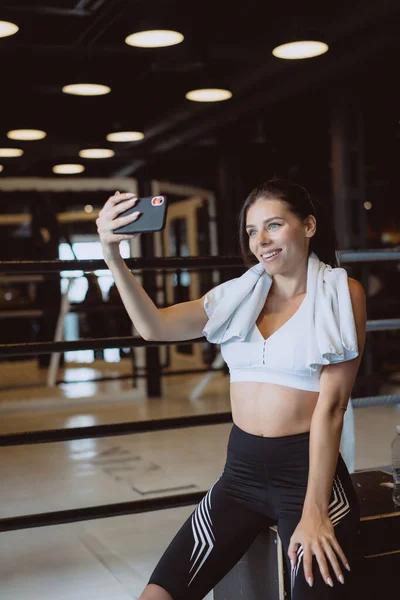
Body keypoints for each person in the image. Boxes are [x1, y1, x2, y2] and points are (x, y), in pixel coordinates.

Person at [97, 179, 367, 600]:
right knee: (156, 595)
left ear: (309, 225)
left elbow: (332, 408)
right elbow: (154, 327)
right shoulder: (238, 295)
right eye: (252, 231)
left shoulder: (340, 294)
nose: (261, 241)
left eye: (274, 225)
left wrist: (314, 513)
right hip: (240, 475)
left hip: (308, 477)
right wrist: (113, 255)